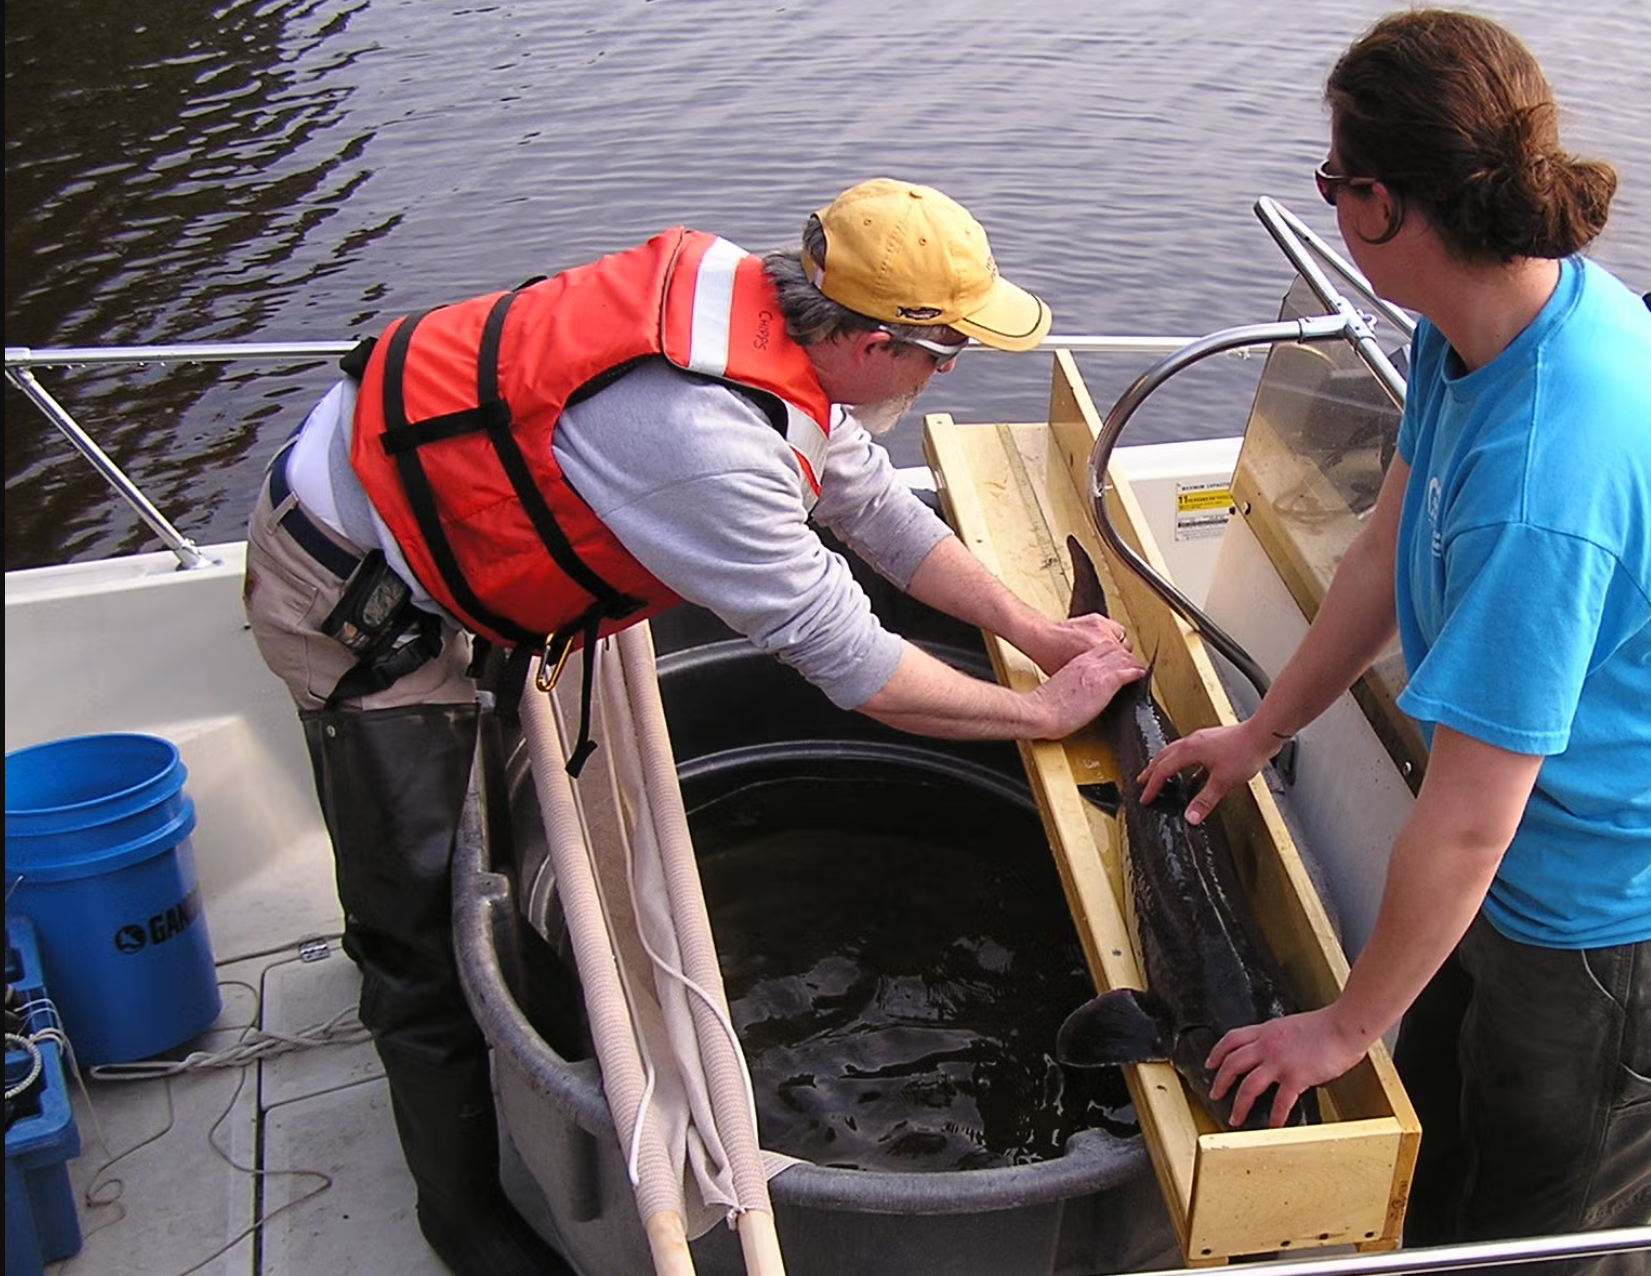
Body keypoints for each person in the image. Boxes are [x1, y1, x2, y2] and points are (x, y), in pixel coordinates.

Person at [241, 178, 1143, 1275]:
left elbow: (870, 508)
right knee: (420, 931)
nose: (942, 376)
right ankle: (463, 1222)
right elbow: (857, 666)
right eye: (937, 356)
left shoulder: (762, 320)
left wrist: (1034, 628)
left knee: (460, 828)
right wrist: (1039, 714)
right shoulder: (702, 443)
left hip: (441, 516)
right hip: (353, 598)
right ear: (863, 338)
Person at [1135, 13, 1651, 1273]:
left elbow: (1472, 816)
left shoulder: (1550, 474)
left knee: (1553, 1248)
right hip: (1532, 885)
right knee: (1449, 1196)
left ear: (1381, 207)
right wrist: (1261, 729)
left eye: (1333, 184)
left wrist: (1341, 1030)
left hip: (1626, 929)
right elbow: (1385, 548)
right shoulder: (1484, 328)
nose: (1329, 209)